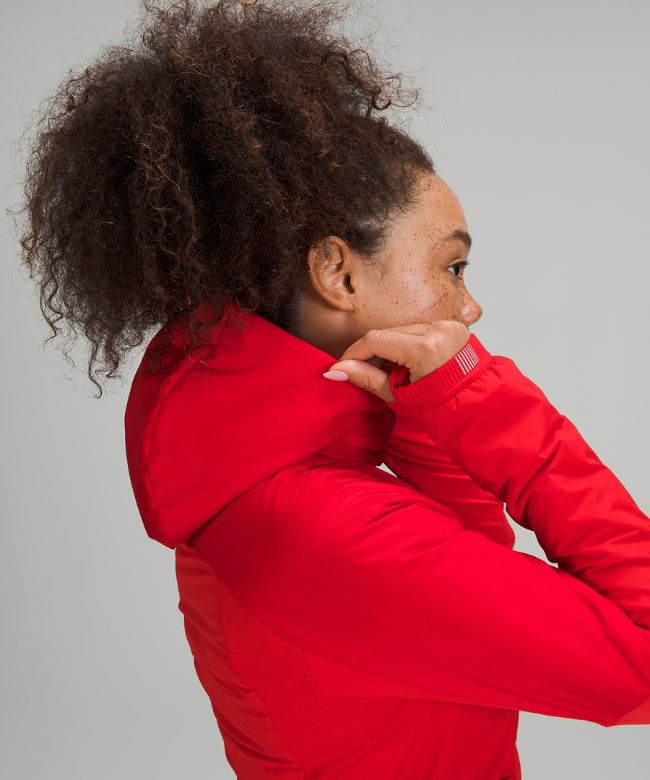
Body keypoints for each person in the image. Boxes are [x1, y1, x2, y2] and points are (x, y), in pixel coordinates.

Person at [16, 1, 650, 777]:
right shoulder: (327, 525)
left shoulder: (265, 477)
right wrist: (493, 405)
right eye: (452, 267)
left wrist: (426, 414)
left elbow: (473, 579)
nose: (469, 306)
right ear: (338, 274)